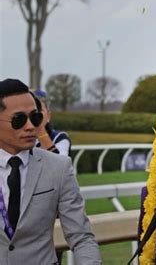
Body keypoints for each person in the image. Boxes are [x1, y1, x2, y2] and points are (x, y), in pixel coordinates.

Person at [0, 79, 101, 265]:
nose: (31, 126)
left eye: (35, 118)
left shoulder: (59, 167)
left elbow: (81, 237)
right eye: (19, 120)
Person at [33, 90, 72, 156]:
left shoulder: (59, 138)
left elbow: (60, 164)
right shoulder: (19, 137)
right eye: (33, 111)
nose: (36, 114)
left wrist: (39, 129)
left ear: (48, 115)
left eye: (40, 110)